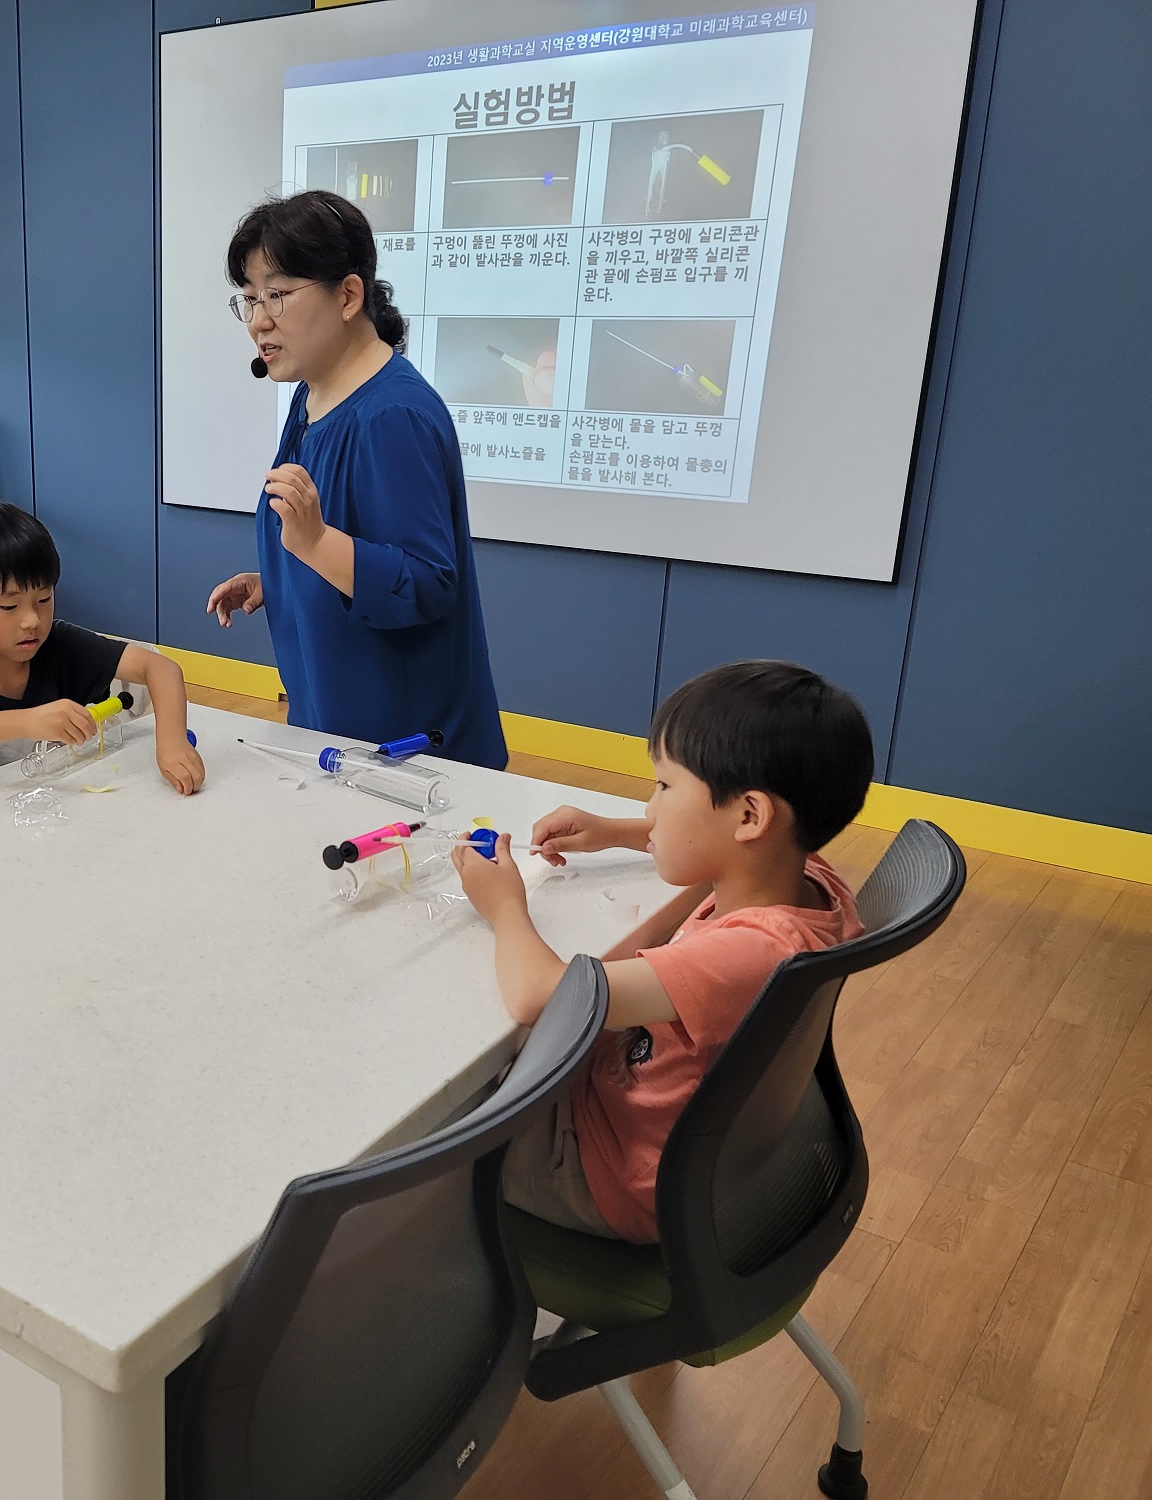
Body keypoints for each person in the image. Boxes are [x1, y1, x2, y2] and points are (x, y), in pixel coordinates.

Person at [451, 661, 872, 1243]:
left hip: (604, 1171)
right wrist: (616, 831)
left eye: (665, 787)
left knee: (430, 1124)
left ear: (750, 815)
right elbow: (727, 853)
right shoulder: (809, 881)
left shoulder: (746, 959)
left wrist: (504, 907)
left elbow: (538, 997)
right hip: (652, 1133)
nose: (651, 807)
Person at [205, 189, 507, 769]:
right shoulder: (311, 392)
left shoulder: (392, 415)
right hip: (336, 729)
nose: (258, 323)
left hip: (406, 757)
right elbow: (340, 533)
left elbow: (426, 583)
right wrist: (286, 576)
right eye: (249, 300)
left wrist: (316, 547)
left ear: (347, 295)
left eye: (278, 295)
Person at [0, 501, 205, 795]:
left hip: (50, 811)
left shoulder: (58, 645)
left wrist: (173, 742)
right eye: (9, 606)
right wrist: (28, 721)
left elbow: (160, 667)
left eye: (43, 599)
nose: (31, 620)